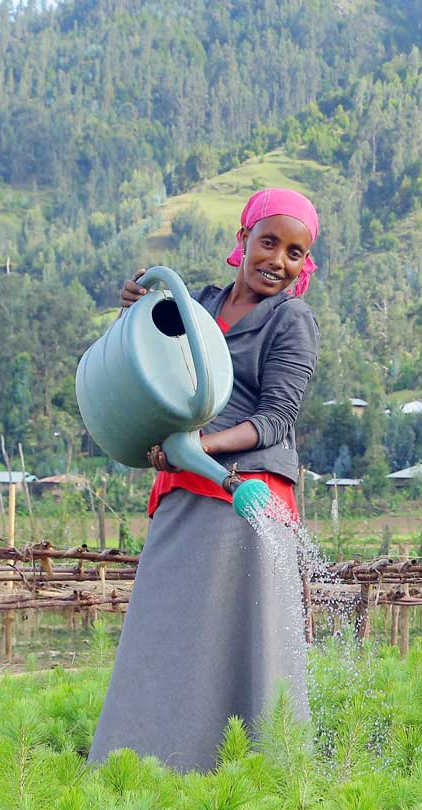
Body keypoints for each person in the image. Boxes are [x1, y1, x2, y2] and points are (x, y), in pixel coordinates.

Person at [88, 187, 321, 772]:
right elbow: (150, 365)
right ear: (242, 241)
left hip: (245, 499)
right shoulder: (199, 304)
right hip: (183, 487)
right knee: (165, 631)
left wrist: (202, 446)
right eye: (269, 242)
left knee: (245, 642)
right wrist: (133, 307)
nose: (279, 261)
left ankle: (254, 773)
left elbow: (275, 419)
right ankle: (143, 765)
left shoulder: (292, 319)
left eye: (295, 253)